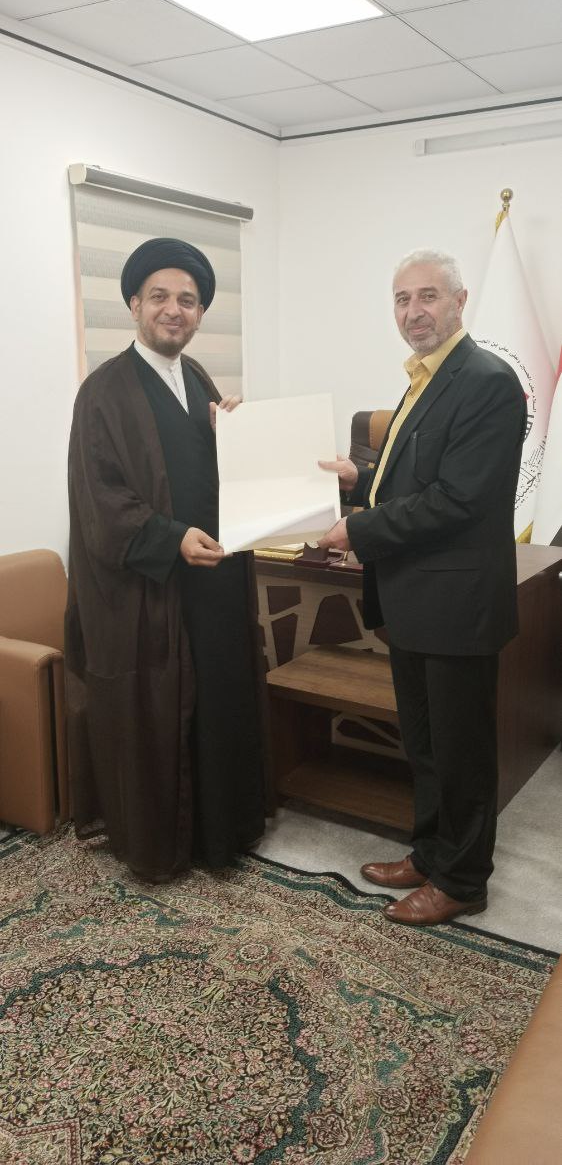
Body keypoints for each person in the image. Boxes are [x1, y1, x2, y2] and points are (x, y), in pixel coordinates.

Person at [319, 249, 526, 925]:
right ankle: (432, 854)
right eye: (403, 299)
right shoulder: (424, 376)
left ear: (460, 302)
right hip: (415, 600)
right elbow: (415, 472)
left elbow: (457, 499)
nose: (414, 311)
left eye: (428, 296)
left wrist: (358, 528)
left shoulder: (487, 380)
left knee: (461, 753)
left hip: (457, 605)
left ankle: (461, 882)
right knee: (428, 746)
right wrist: (360, 478)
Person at [65, 237, 271, 882]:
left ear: (201, 313)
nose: (173, 310)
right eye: (159, 297)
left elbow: (204, 471)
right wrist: (169, 538)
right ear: (134, 305)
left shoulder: (199, 378)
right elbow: (100, 499)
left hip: (214, 577)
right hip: (150, 591)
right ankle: (166, 842)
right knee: (162, 711)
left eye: (187, 300)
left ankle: (221, 832)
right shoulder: (103, 391)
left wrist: (233, 435)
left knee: (218, 698)